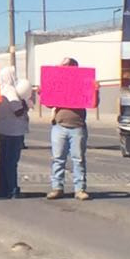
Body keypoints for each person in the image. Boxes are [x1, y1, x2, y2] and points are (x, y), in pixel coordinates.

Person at [49, 57, 93, 200]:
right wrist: (45, 92)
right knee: (58, 159)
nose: (64, 69)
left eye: (67, 66)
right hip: (59, 126)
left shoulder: (83, 83)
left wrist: (95, 90)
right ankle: (57, 187)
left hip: (77, 126)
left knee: (78, 159)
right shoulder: (58, 84)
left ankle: (80, 189)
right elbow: (49, 104)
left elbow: (93, 102)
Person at [0, 66, 29, 198]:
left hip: (3, 128)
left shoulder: (0, 90)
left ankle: (3, 188)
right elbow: (18, 111)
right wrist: (25, 104)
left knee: (3, 161)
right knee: (11, 162)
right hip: (14, 130)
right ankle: (12, 189)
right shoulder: (11, 92)